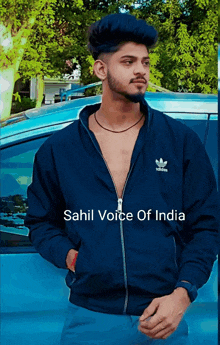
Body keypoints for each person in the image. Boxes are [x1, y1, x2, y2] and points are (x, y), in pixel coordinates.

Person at [24, 13, 219, 345]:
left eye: (144, 61)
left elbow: (206, 225)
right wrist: (72, 257)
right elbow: (41, 222)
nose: (141, 70)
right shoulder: (60, 149)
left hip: (163, 317)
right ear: (101, 69)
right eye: (128, 61)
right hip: (90, 318)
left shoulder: (179, 142)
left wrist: (183, 294)